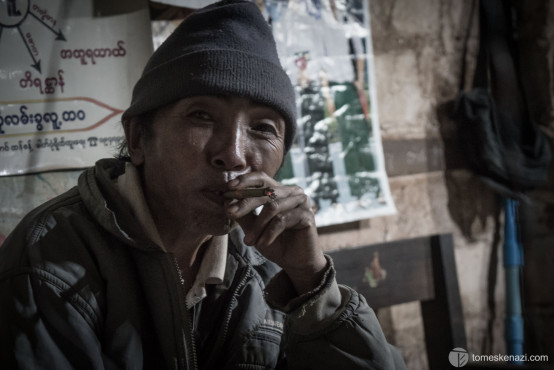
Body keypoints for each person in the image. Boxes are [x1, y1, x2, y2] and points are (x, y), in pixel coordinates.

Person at [0, 1, 407, 369]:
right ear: (139, 139)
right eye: (201, 116)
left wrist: (310, 279)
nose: (232, 154)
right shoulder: (48, 260)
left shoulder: (267, 265)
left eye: (263, 128)